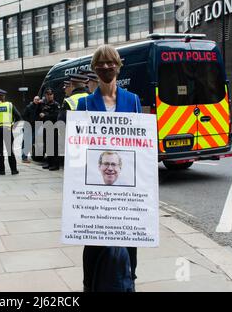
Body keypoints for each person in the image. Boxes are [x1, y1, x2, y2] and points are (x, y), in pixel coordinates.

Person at [77, 44, 142, 292]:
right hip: (95, 188)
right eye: (100, 63)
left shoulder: (133, 101)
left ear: (118, 65)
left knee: (128, 242)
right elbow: (77, 149)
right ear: (94, 68)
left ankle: (129, 282)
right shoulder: (84, 104)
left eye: (110, 62)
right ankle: (90, 285)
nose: (106, 67)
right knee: (94, 244)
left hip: (125, 190)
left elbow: (140, 148)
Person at [39, 88, 60, 171]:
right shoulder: (43, 104)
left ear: (53, 95)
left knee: (54, 147)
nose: (49, 96)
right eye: (48, 94)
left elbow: (56, 116)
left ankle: (55, 164)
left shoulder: (56, 104)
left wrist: (45, 116)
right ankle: (49, 163)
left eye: (51, 94)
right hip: (45, 127)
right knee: (47, 146)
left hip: (53, 127)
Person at [22, 95, 42, 163]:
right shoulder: (29, 107)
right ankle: (24, 157)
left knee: (30, 142)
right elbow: (24, 116)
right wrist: (29, 122)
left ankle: (25, 156)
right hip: (28, 127)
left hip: (35, 127)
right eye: (36, 99)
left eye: (38, 99)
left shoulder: (39, 107)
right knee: (26, 142)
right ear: (33, 100)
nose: (37, 101)